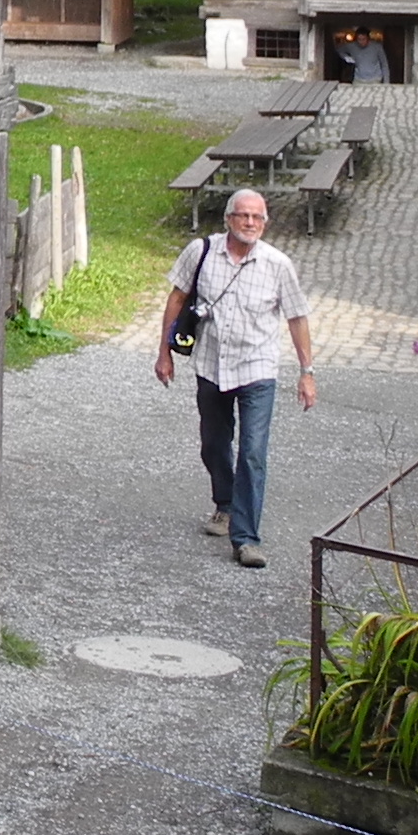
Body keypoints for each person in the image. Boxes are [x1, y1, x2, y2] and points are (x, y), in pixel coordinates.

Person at [155, 187, 315, 566]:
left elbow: (297, 318)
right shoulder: (202, 252)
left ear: (265, 222)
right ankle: (224, 502)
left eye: (257, 217)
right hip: (212, 365)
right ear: (228, 219)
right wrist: (164, 352)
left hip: (258, 368)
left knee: (253, 452)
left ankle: (246, 538)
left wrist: (307, 373)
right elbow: (177, 300)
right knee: (213, 443)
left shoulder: (278, 265)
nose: (250, 223)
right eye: (243, 215)